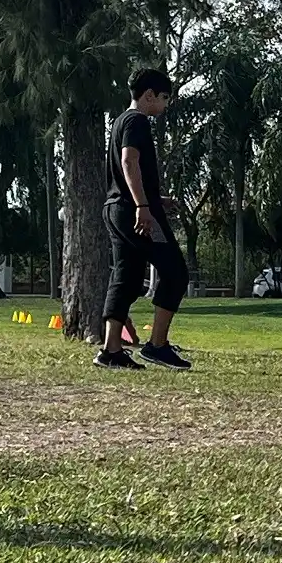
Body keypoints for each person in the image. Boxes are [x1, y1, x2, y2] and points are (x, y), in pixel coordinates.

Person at [94, 68, 190, 371]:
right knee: (175, 272)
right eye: (164, 99)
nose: (164, 105)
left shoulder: (119, 120)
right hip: (136, 214)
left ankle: (111, 350)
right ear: (149, 95)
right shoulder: (137, 121)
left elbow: (125, 173)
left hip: (116, 208)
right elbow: (128, 161)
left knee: (127, 277)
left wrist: (152, 198)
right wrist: (143, 206)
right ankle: (157, 345)